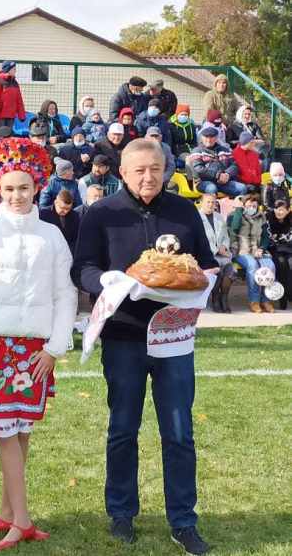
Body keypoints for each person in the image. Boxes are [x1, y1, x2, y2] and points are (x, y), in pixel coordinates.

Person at [72, 138, 216, 555]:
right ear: (123, 172)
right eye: (138, 170)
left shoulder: (183, 210)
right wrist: (109, 282)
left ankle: (184, 521)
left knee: (179, 432)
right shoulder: (101, 213)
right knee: (122, 429)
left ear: (165, 169)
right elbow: (81, 267)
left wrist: (200, 280)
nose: (147, 177)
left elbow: (205, 263)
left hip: (174, 338)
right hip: (124, 336)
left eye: (155, 168)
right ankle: (121, 513)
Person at [0, 136, 75, 550]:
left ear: (37, 187)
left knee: (22, 431)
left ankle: (8, 511)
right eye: (8, 188)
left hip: (36, 351)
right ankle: (22, 520)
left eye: (24, 187)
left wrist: (54, 348)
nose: (16, 195)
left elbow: (65, 295)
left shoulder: (52, 236)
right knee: (7, 433)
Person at [230, 194, 274, 313]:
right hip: (241, 250)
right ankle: (254, 300)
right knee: (252, 266)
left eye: (254, 206)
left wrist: (261, 248)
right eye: (249, 205)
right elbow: (234, 228)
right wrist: (239, 210)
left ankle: (266, 300)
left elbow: (266, 236)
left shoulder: (262, 217)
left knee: (270, 266)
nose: (252, 208)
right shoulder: (235, 215)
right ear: (244, 205)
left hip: (258, 250)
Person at [197, 193, 235, 313]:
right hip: (206, 254)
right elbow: (199, 238)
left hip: (222, 253)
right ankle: (215, 298)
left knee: (230, 271)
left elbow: (225, 236)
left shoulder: (219, 217)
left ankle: (224, 297)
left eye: (213, 202)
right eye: (208, 202)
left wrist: (224, 246)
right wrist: (217, 249)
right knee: (217, 270)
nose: (211, 205)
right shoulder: (196, 217)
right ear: (201, 203)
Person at [189, 126, 246, 197]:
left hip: (224, 181)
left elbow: (235, 165)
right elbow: (198, 169)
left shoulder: (225, 150)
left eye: (211, 137)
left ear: (216, 138)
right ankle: (212, 207)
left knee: (242, 188)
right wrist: (218, 175)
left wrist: (227, 174)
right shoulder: (196, 151)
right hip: (204, 182)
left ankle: (237, 207)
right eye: (206, 137)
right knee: (212, 188)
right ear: (202, 138)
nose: (209, 140)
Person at [268, 199, 292, 310]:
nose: (279, 212)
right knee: (282, 263)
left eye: (282, 210)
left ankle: (288, 293)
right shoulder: (269, 219)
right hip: (275, 250)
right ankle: (283, 296)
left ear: (287, 211)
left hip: (289, 249)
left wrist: (280, 239)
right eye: (277, 209)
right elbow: (269, 239)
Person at [0, 61, 26, 129]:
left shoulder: (15, 83)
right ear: (8, 70)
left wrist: (21, 115)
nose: (15, 71)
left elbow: (19, 100)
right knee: (0, 137)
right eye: (14, 69)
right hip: (0, 117)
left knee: (9, 137)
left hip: (11, 116)